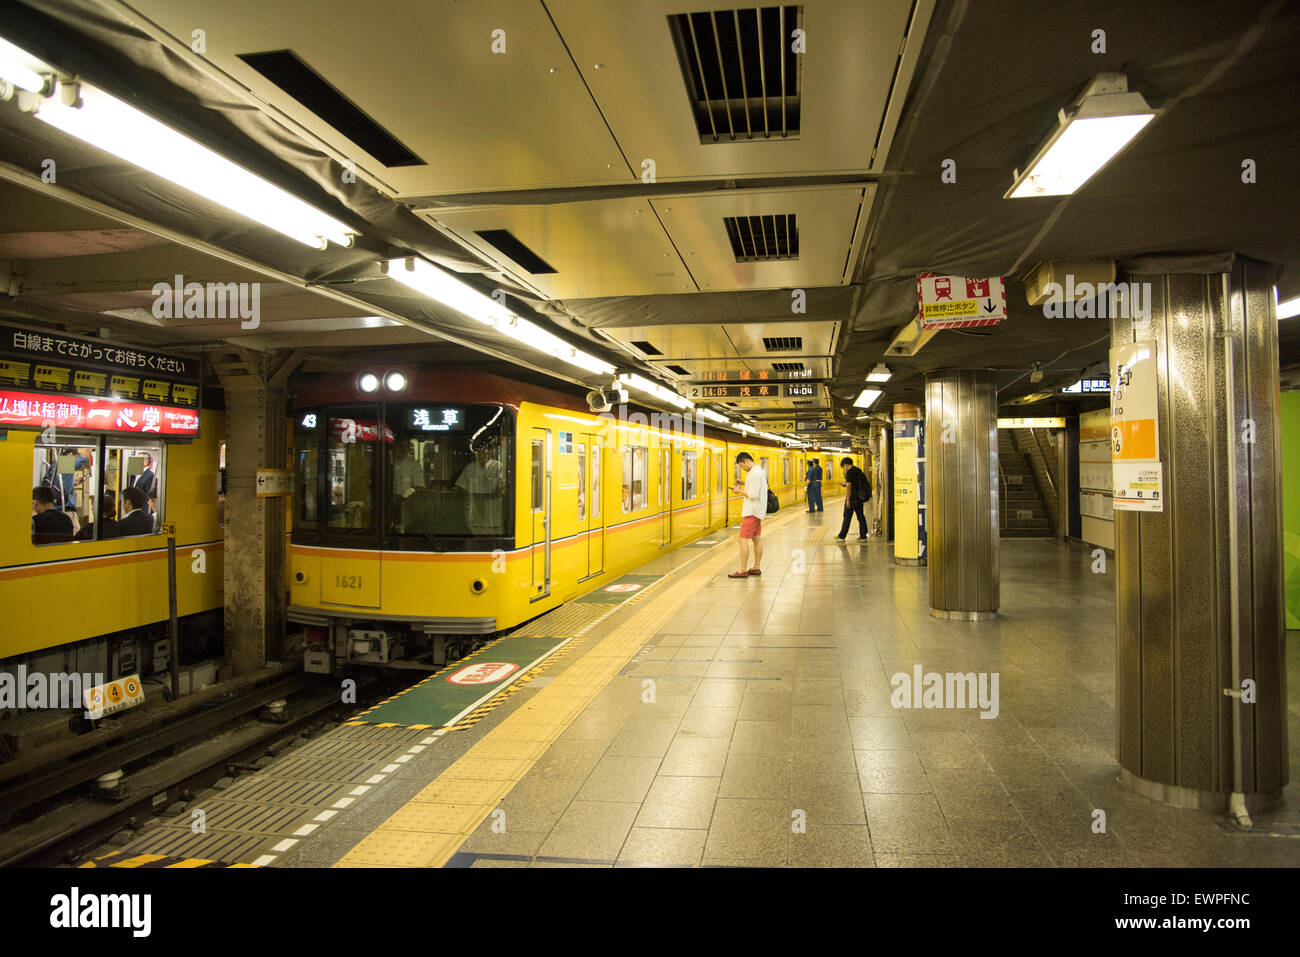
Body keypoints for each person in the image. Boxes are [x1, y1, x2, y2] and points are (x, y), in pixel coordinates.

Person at [729, 452, 766, 578]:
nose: (742, 468)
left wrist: (739, 491)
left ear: (747, 461)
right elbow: (757, 488)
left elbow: (754, 495)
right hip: (757, 511)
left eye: (742, 465)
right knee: (756, 538)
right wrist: (744, 483)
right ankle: (756, 567)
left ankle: (742, 570)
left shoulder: (755, 473)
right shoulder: (757, 471)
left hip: (752, 511)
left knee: (742, 539)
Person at [455, 444, 504, 535]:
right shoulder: (470, 468)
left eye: (485, 451)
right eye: (480, 451)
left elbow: (502, 488)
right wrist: (471, 498)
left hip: (491, 507)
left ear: (490, 452)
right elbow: (461, 487)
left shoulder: (498, 467)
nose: (483, 454)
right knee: (474, 530)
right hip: (473, 506)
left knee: (490, 531)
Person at [835, 457, 871, 542]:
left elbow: (849, 486)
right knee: (861, 516)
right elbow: (854, 483)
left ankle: (842, 536)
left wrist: (848, 499)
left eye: (843, 467)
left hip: (852, 498)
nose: (843, 469)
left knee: (847, 517)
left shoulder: (850, 472)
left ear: (846, 465)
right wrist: (845, 483)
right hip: (859, 498)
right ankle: (863, 536)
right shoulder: (857, 470)